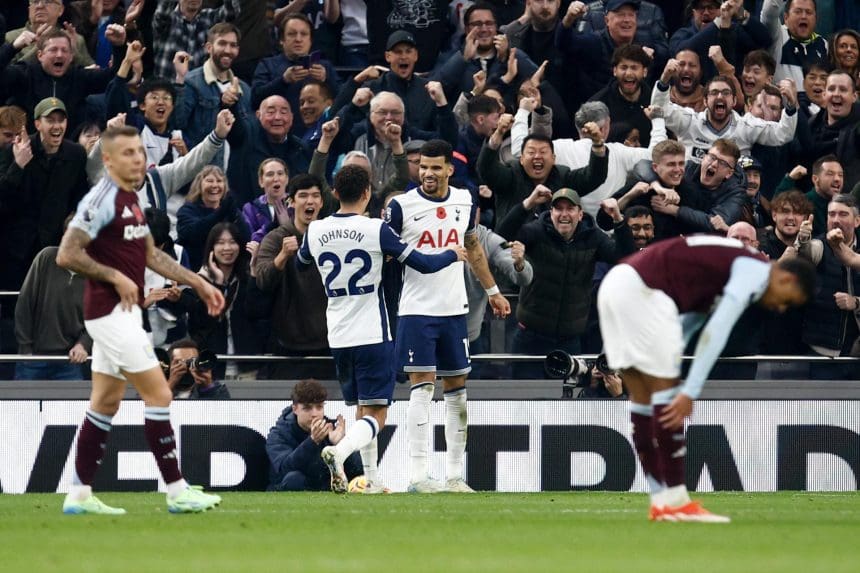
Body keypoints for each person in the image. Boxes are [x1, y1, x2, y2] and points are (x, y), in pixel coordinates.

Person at [55, 125, 225, 514]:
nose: (139, 159)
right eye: (128, 153)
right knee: (160, 394)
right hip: (109, 313)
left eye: (140, 151)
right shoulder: (99, 200)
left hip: (123, 314)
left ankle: (79, 496)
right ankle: (177, 490)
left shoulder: (132, 196)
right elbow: (66, 254)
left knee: (105, 402)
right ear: (109, 160)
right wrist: (114, 276)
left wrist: (197, 281)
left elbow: (151, 254)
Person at [597, 235, 815, 521]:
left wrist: (673, 352)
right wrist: (690, 389)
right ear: (786, 279)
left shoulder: (726, 268)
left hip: (617, 284)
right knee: (667, 396)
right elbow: (718, 328)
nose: (780, 308)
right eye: (787, 301)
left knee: (642, 398)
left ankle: (661, 501)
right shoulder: (754, 270)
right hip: (644, 292)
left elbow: (692, 322)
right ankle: (677, 502)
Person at [298, 165, 466, 493]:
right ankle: (340, 451)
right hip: (373, 332)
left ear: (334, 194)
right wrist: (452, 253)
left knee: (360, 409)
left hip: (338, 334)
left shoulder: (315, 230)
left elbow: (301, 262)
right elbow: (424, 264)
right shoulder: (376, 229)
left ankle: (370, 480)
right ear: (367, 194)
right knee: (376, 415)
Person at [384, 139, 511, 493]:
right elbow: (387, 254)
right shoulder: (400, 207)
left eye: (435, 167)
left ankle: (455, 475)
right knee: (422, 390)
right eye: (423, 167)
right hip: (416, 311)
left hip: (454, 310)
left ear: (449, 170)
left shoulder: (464, 199)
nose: (427, 173)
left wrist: (493, 291)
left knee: (457, 392)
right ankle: (418, 475)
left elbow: (471, 246)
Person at [265, 379, 363, 491]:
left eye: (319, 407)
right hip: (285, 491)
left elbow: (359, 470)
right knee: (294, 479)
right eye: (307, 408)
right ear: (295, 409)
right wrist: (312, 442)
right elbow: (285, 469)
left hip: (324, 489)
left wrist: (341, 445)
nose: (314, 414)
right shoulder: (279, 434)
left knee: (359, 482)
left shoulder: (331, 429)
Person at [14, 241, 90, 381]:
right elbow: (25, 303)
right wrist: (25, 348)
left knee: (73, 402)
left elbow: (98, 320)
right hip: (33, 357)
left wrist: (83, 344)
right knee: (23, 402)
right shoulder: (47, 257)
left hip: (70, 360)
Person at [176, 165, 249, 272]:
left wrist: (235, 217)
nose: (215, 185)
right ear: (199, 185)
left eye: (219, 181)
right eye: (209, 181)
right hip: (195, 270)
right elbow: (191, 234)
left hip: (228, 270)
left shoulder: (230, 210)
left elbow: (246, 240)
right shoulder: (187, 210)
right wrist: (220, 214)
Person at [151, 0, 241, 80]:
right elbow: (163, 10)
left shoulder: (209, 17)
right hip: (167, 91)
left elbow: (231, 11)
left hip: (198, 92)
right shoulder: (167, 19)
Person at [761, 0, 828, 92]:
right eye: (798, 11)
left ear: (815, 19)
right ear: (786, 17)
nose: (804, 16)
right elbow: (769, 12)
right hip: (780, 105)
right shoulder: (778, 35)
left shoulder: (824, 45)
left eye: (809, 12)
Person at [165, 338, 230, 399]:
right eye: (179, 362)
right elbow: (156, 407)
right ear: (170, 365)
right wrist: (171, 384)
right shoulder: (158, 386)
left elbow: (222, 409)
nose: (187, 366)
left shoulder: (218, 389)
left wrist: (208, 387)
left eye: (192, 361)